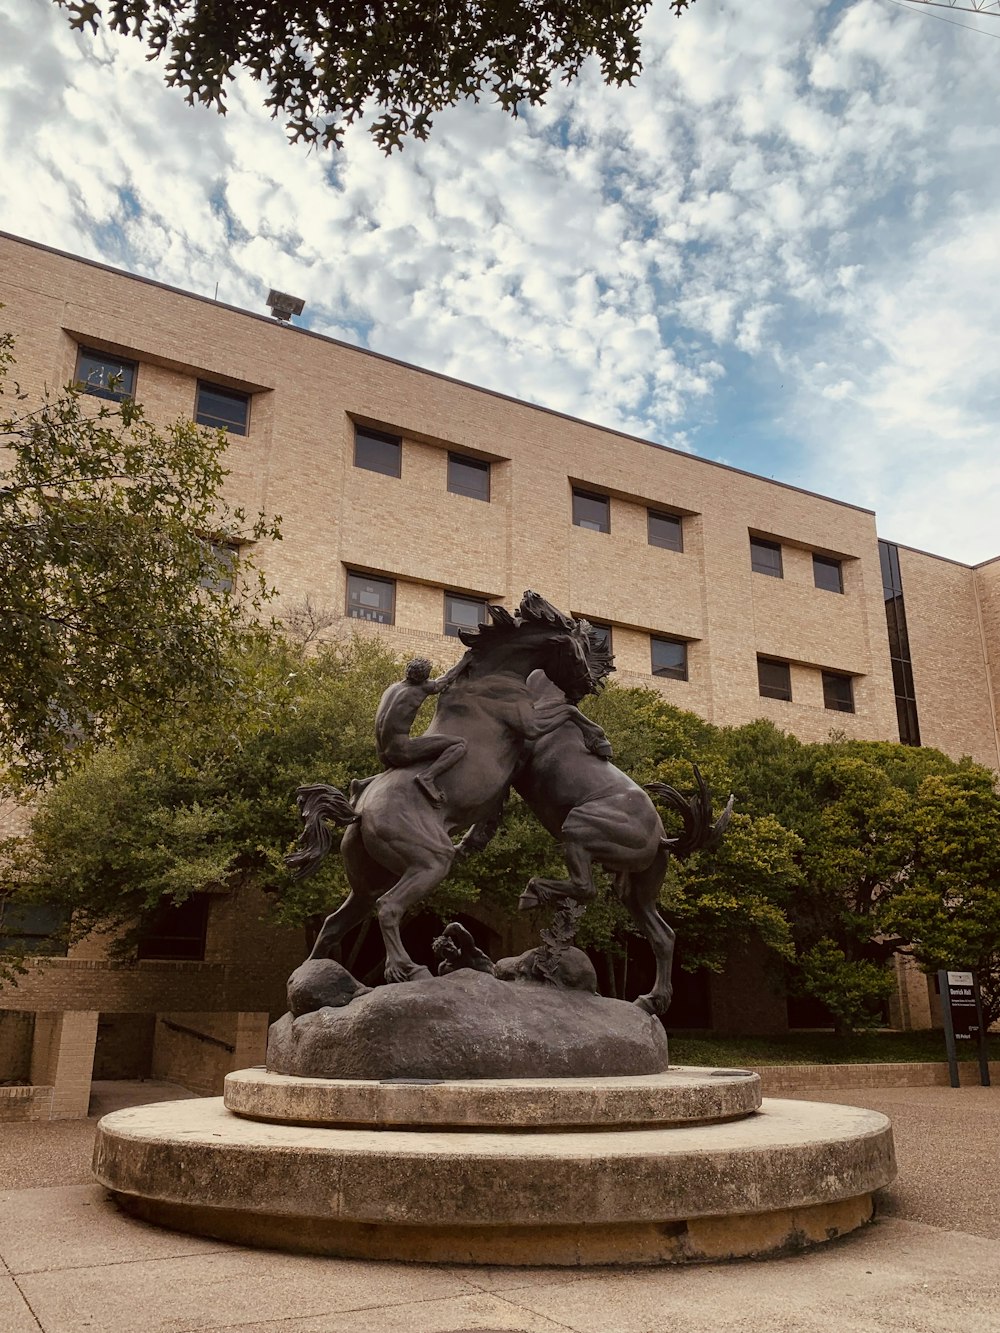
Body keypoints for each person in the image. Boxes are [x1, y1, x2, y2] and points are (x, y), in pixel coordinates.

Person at [350, 657, 468, 805]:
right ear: (423, 679)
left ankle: (363, 784)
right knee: (459, 744)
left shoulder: (392, 688)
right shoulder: (421, 688)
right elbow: (447, 678)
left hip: (382, 752)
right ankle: (428, 777)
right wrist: (466, 659)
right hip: (400, 751)